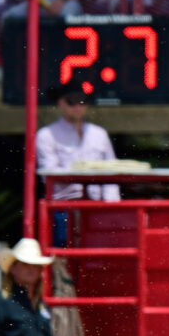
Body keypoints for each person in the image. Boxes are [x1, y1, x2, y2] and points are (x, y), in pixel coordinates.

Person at [36, 80, 120, 247]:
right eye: (71, 101)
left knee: (102, 253)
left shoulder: (99, 134)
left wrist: (113, 208)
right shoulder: (46, 135)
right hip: (63, 208)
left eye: (83, 101)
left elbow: (112, 170)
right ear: (60, 103)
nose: (77, 106)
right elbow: (48, 174)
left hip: (97, 207)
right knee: (62, 253)